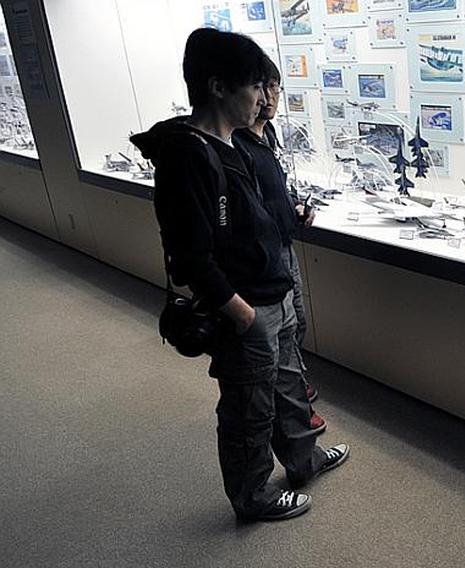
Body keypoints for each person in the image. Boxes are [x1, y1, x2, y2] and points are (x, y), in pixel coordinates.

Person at [131, 28, 349, 522]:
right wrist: (241, 312)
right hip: (246, 307)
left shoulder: (236, 144)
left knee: (289, 387)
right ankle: (253, 498)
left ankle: (303, 460)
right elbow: (189, 255)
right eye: (254, 86)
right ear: (217, 87)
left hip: (275, 292)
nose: (263, 98)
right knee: (249, 410)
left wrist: (289, 222)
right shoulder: (189, 155)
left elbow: (252, 218)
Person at [231, 55, 325, 433]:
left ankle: (294, 391)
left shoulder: (266, 135)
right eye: (261, 87)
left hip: (284, 248)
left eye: (275, 87)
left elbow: (273, 193)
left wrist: (295, 208)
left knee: (296, 322)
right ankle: (290, 405)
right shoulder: (236, 143)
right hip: (263, 260)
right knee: (271, 346)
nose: (269, 97)